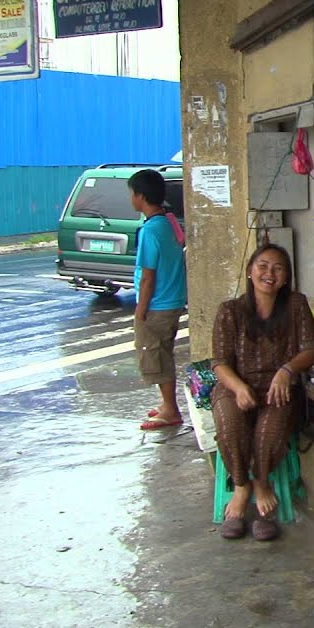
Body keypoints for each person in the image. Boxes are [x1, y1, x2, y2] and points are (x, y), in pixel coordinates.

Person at [211, 244, 314, 541]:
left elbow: (311, 348)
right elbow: (219, 362)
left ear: (286, 278)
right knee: (230, 424)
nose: (268, 273)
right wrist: (238, 387)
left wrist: (287, 371)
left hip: (278, 387)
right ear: (250, 271)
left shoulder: (296, 305)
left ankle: (262, 483)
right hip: (235, 385)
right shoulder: (229, 311)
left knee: (269, 431)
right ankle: (242, 486)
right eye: (262, 266)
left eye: (277, 268)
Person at [131, 169, 188, 431]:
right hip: (173, 300)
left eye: (132, 194)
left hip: (158, 304)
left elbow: (147, 277)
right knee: (164, 352)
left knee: (156, 356)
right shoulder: (169, 223)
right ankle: (167, 405)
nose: (131, 199)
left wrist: (141, 309)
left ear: (141, 196)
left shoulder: (150, 231)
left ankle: (171, 410)